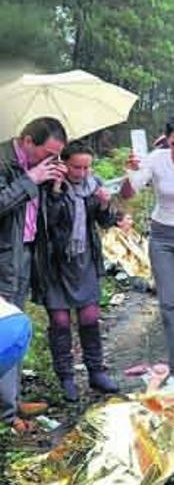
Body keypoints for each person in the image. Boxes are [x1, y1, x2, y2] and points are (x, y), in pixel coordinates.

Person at [121, 115, 174, 387]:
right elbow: (127, 194)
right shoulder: (157, 159)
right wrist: (130, 173)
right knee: (170, 304)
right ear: (167, 142)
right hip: (162, 236)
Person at [33, 141, 119, 402]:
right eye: (75, 167)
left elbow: (104, 223)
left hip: (84, 259)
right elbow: (49, 222)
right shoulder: (48, 185)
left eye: (86, 167)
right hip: (55, 263)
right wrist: (57, 190)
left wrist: (105, 205)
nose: (81, 173)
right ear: (64, 163)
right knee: (59, 322)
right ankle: (66, 377)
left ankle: (96, 371)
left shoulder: (95, 185)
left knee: (90, 317)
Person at [0, 117, 66, 432]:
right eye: (48, 153)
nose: (51, 161)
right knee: (5, 328)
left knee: (17, 325)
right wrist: (31, 177)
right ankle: (7, 414)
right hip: (4, 258)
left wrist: (52, 187)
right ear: (27, 142)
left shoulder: (38, 169)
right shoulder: (4, 163)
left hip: (26, 253)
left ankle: (11, 399)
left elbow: (41, 215)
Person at [101, 212, 153, 289]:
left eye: (131, 219)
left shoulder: (133, 234)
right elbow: (121, 257)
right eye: (128, 219)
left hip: (143, 268)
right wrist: (132, 245)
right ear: (119, 222)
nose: (131, 222)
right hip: (127, 270)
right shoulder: (112, 236)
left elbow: (145, 246)